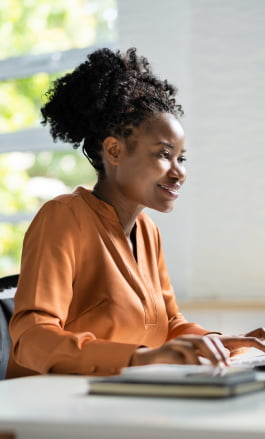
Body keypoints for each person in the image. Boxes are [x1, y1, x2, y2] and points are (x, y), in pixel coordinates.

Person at [6, 48, 265, 378]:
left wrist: (216, 342)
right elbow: (32, 338)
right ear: (114, 150)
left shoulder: (147, 231)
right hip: (50, 409)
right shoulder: (63, 218)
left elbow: (169, 324)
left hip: (118, 402)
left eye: (181, 158)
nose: (179, 171)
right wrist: (141, 358)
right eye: (164, 154)